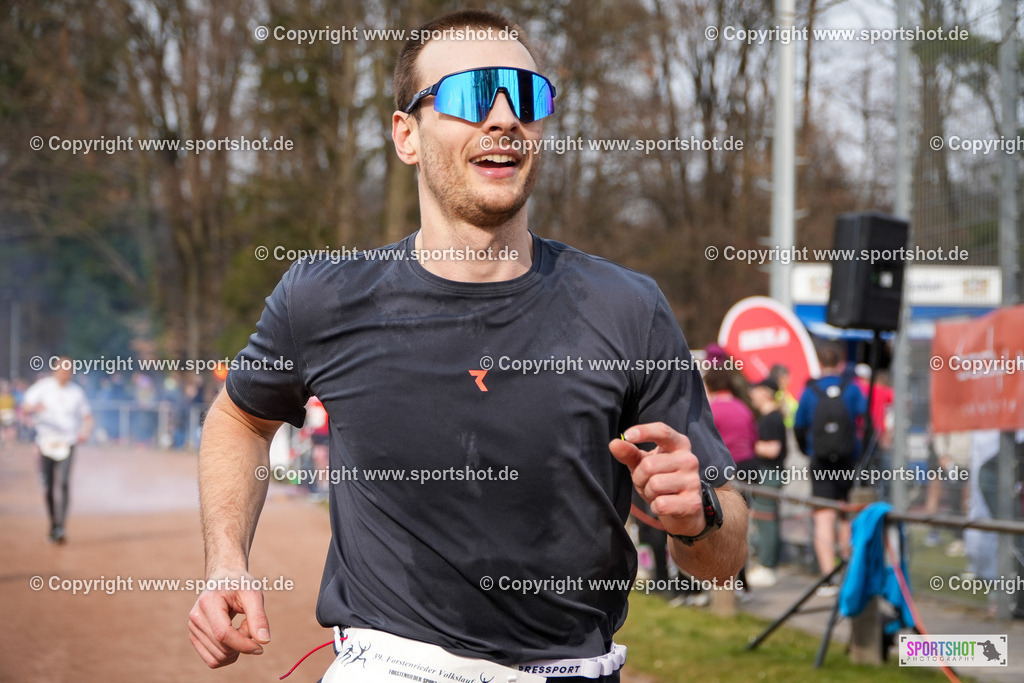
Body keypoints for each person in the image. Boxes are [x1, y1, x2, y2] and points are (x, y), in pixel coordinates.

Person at [187, 10, 748, 683]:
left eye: (528, 96)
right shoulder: (325, 296)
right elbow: (240, 418)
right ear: (407, 135)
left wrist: (697, 517)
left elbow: (723, 553)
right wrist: (226, 560)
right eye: (471, 95)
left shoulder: (628, 308)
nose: (505, 117)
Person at [793, 341, 866, 596]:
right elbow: (865, 422)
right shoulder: (852, 389)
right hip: (849, 460)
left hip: (820, 460)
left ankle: (828, 579)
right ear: (841, 363)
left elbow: (799, 425)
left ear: (820, 362)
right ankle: (848, 573)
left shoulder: (810, 390)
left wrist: (808, 450)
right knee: (847, 514)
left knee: (824, 517)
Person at [21, 358, 93, 543]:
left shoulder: (76, 392)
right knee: (48, 487)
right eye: (62, 370)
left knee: (64, 483)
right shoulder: (43, 387)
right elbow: (25, 407)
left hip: (67, 443)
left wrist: (85, 432)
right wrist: (34, 408)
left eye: (68, 371)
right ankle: (53, 524)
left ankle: (61, 526)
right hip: (46, 443)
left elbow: (87, 416)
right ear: (55, 370)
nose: (65, 374)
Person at [746, 377, 787, 588]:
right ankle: (766, 564)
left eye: (756, 389)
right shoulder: (770, 416)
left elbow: (773, 449)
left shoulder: (772, 418)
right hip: (767, 473)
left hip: (770, 473)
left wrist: (747, 442)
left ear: (766, 392)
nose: (752, 393)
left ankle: (767, 566)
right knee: (765, 518)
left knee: (766, 518)